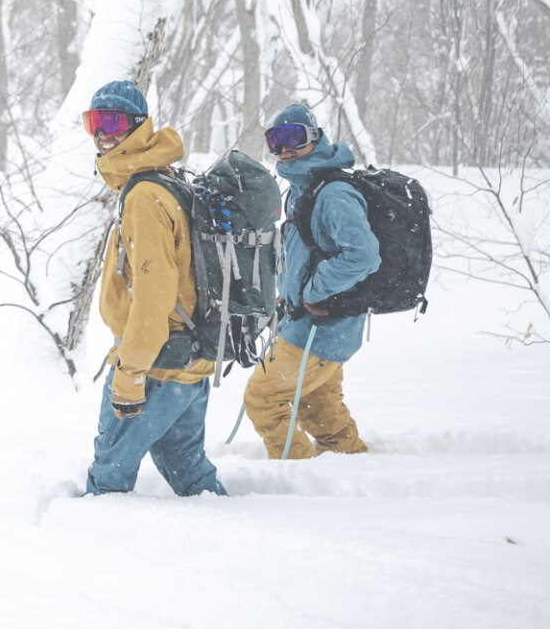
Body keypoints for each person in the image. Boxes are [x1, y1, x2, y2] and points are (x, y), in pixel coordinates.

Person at [83, 81, 227, 497]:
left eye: (113, 121)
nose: (102, 133)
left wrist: (129, 375)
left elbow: (153, 295)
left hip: (154, 365)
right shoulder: (162, 181)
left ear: (140, 126)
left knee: (108, 475)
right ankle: (230, 545)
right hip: (187, 360)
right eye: (94, 122)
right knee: (191, 475)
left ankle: (88, 554)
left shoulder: (146, 195)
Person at [244, 103, 379, 458]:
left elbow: (363, 254)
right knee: (318, 409)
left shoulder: (334, 193)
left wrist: (310, 292)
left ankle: (299, 482)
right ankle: (352, 470)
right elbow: (308, 252)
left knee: (263, 398)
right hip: (318, 325)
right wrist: (287, 296)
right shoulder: (305, 188)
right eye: (276, 140)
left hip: (319, 327)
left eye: (294, 137)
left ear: (315, 138)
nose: (284, 148)